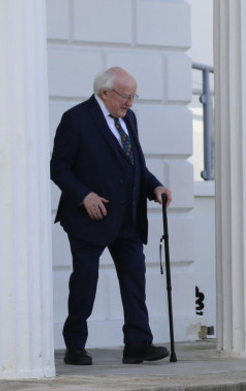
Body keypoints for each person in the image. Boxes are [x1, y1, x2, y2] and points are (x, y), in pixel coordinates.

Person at [51, 67, 172, 366]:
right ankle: (75, 346)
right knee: (85, 282)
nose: (130, 103)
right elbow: (59, 168)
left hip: (128, 218)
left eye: (133, 96)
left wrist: (154, 185)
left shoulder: (128, 119)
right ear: (105, 93)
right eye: (125, 96)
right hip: (90, 217)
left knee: (134, 280)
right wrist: (84, 196)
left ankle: (137, 343)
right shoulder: (76, 119)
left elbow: (134, 166)